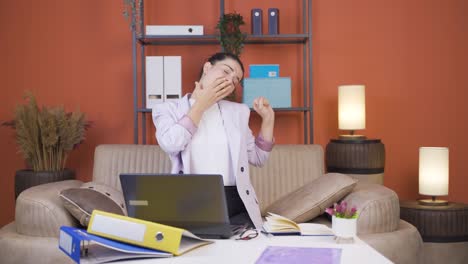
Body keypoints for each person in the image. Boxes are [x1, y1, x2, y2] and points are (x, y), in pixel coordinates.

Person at [152, 52, 275, 230]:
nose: (230, 80)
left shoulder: (238, 112)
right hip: (190, 202)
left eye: (235, 80)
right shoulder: (166, 109)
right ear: (207, 67)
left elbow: (258, 158)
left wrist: (268, 120)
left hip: (235, 203)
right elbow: (171, 143)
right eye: (226, 71)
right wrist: (201, 104)